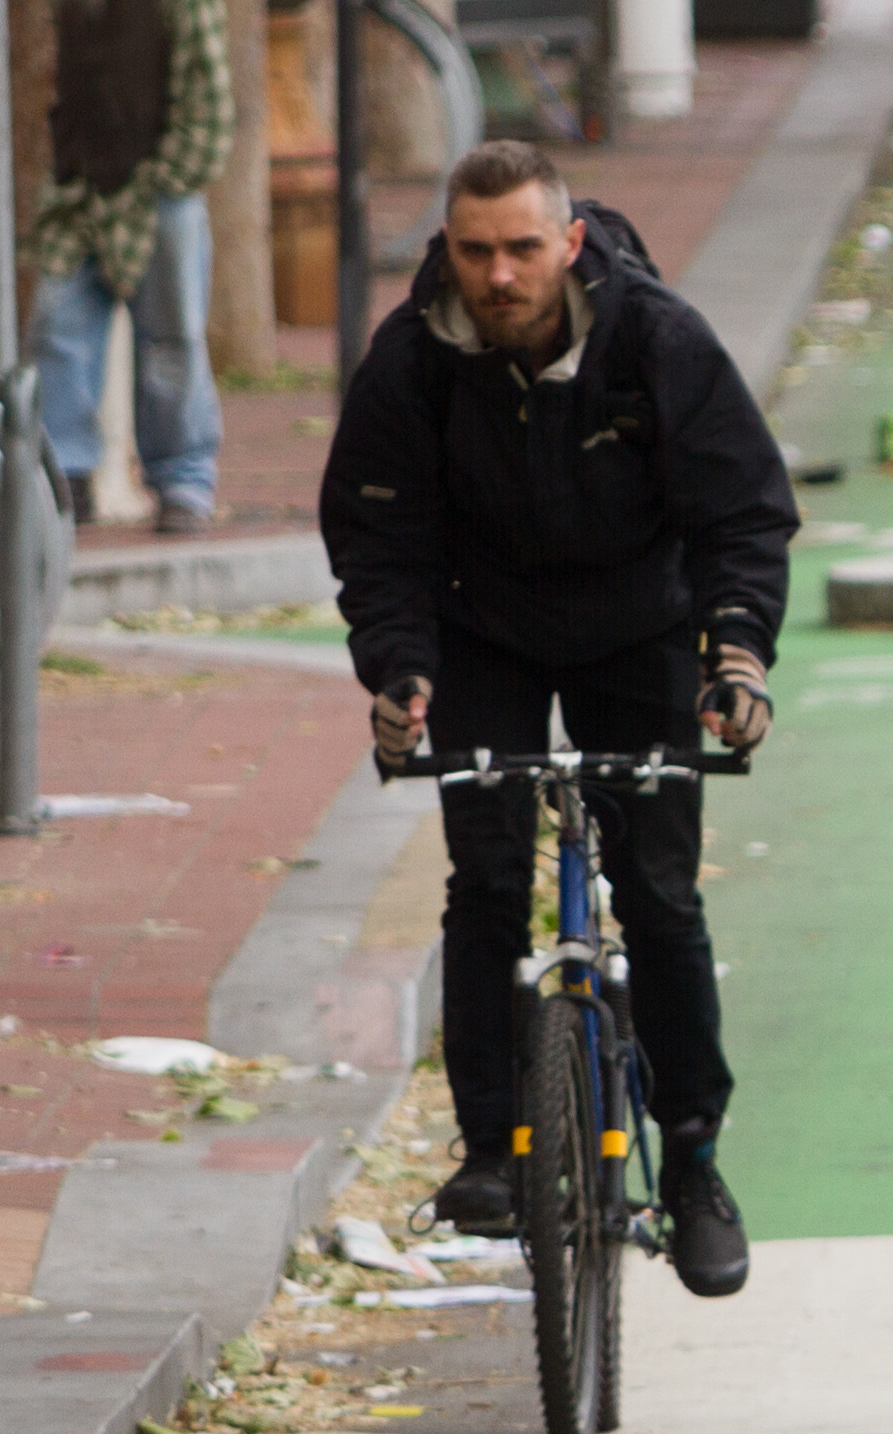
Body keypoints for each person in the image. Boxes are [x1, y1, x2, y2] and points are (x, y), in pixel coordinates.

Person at [325, 143, 792, 1291]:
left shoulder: (655, 340)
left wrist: (735, 652)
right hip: (479, 627)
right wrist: (398, 673)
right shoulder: (413, 361)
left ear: (570, 241)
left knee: (661, 892)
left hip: (639, 624)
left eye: (523, 248)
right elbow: (376, 540)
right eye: (475, 251)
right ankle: (491, 1148)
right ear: (449, 246)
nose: (498, 275)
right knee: (484, 878)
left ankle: (692, 1163)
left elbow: (743, 510)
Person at [20, 0, 230, 536]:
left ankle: (184, 482)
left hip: (157, 188)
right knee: (57, 325)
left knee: (171, 340)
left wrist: (170, 176)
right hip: (82, 186)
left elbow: (208, 92)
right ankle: (66, 475)